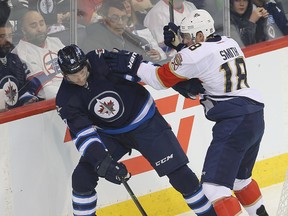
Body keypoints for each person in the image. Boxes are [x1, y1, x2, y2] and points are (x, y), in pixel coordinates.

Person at [103, 9, 269, 216]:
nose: (186, 40)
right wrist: (179, 46)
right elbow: (202, 65)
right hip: (253, 116)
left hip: (234, 122)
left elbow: (159, 79)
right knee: (240, 180)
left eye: (189, 36)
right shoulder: (228, 42)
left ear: (200, 36)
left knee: (212, 189)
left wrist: (134, 64)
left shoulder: (193, 54)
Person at [55, 44, 217, 216]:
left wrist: (174, 82)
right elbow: (84, 135)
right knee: (82, 178)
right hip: (111, 135)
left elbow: (140, 69)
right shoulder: (65, 99)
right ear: (64, 75)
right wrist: (103, 162)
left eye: (82, 72)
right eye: (74, 76)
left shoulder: (101, 60)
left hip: (146, 123)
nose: (80, 78)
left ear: (86, 63)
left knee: (181, 176)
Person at [82, 0, 162, 63]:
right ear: (104, 19)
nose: (120, 22)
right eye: (115, 18)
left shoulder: (131, 39)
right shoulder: (94, 41)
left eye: (123, 18)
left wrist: (152, 57)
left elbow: (143, 58)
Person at [12, 10, 65, 100]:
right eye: (34, 25)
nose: (39, 29)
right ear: (23, 30)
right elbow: (45, 91)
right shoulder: (21, 53)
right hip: (54, 103)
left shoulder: (55, 41)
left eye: (41, 23)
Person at [0, 4, 38, 111]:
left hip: (16, 118)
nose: (7, 41)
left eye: (10, 36)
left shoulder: (14, 59)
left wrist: (27, 100)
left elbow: (22, 88)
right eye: (2, 37)